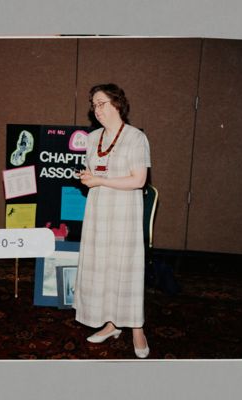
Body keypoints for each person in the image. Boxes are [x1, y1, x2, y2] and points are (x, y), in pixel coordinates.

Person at [73, 83, 151, 358]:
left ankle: (137, 329)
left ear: (117, 103)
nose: (97, 109)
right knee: (101, 267)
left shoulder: (135, 138)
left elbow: (138, 180)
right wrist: (88, 178)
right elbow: (93, 173)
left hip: (124, 214)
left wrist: (100, 180)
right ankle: (110, 324)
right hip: (98, 213)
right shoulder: (92, 139)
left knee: (126, 270)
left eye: (102, 103)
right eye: (94, 105)